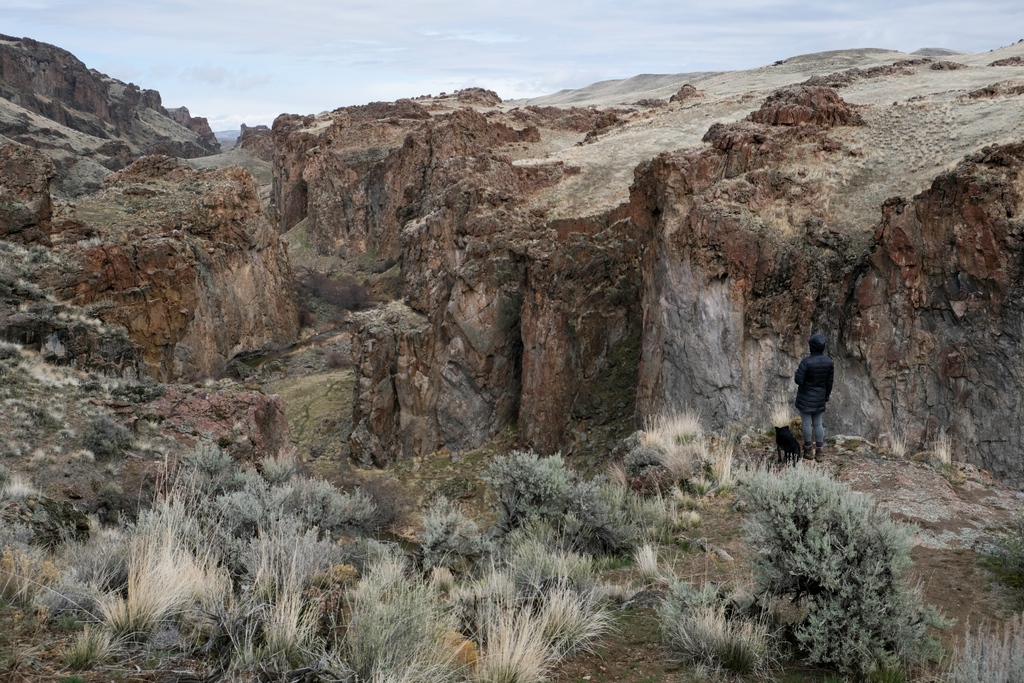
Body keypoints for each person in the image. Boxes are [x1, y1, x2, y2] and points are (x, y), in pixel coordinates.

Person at [794, 332, 834, 460]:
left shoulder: (806, 362)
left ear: (811, 346)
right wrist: (826, 396)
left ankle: (808, 450)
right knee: (818, 424)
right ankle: (819, 451)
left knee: (806, 423)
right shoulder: (829, 362)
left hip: (805, 397)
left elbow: (798, 380)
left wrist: (797, 373)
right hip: (820, 396)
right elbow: (829, 383)